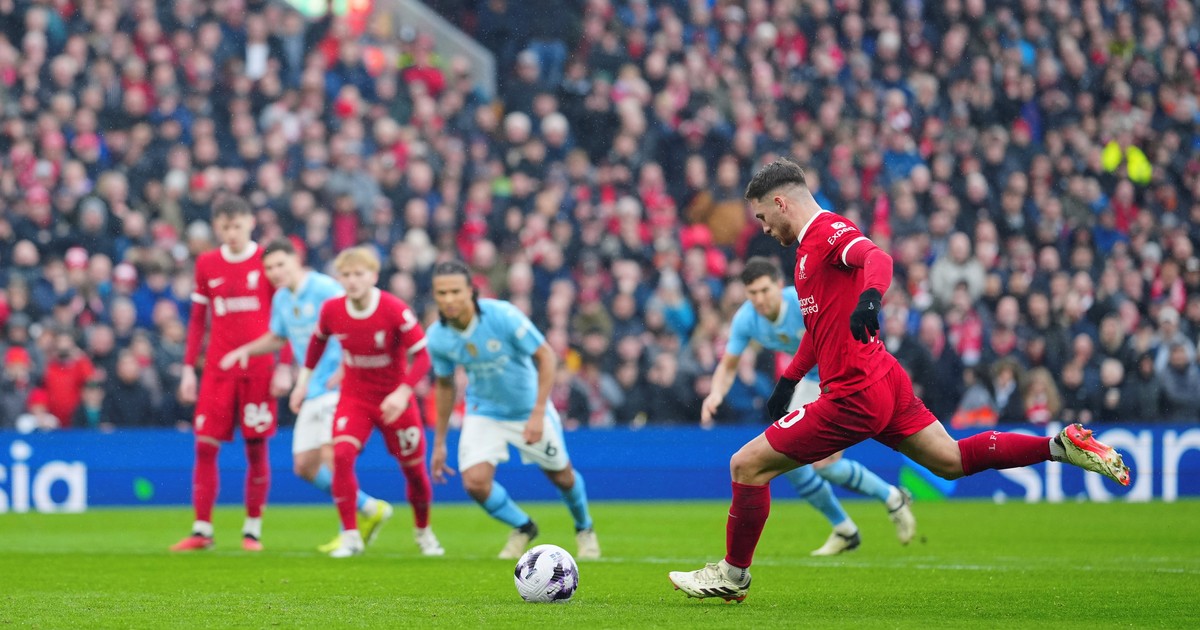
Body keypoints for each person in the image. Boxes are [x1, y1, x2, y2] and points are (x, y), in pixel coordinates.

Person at [669, 159, 1131, 602]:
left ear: (780, 203)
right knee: (950, 460)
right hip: (883, 379)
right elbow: (819, 328)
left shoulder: (827, 232)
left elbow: (877, 257)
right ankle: (1059, 446)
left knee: (746, 465)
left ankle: (732, 574)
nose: (764, 228)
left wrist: (870, 298)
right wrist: (788, 381)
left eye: (762, 217)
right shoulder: (806, 253)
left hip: (853, 393)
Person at [701, 256, 916, 556]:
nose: (760, 300)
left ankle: (888, 500)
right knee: (788, 457)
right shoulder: (746, 319)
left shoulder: (802, 302)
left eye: (765, 290)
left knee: (822, 464)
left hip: (843, 373)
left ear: (779, 285)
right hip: (810, 381)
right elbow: (728, 365)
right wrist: (715, 394)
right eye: (752, 293)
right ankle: (848, 525)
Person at [218, 238, 400, 554]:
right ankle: (369, 508)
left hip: (340, 385)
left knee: (333, 455)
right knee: (304, 466)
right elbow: (278, 337)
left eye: (280, 264)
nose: (276, 272)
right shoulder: (282, 299)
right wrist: (243, 351)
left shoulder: (325, 288)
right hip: (313, 386)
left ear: (296, 260)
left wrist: (345, 367)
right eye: (269, 268)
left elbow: (355, 322)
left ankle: (348, 534)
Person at [427, 260, 600, 561]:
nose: (449, 299)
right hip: (484, 411)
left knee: (562, 477)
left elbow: (546, 357)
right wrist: (439, 442)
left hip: (527, 409)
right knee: (475, 482)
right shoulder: (437, 336)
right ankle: (523, 526)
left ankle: (584, 528)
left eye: (455, 291)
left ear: (471, 291)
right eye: (442, 293)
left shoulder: (503, 316)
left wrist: (537, 413)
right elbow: (444, 385)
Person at [290, 247, 441, 558]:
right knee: (341, 454)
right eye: (346, 275)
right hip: (355, 397)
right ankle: (350, 536)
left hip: (394, 400)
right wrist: (303, 382)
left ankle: (424, 532)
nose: (352, 280)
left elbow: (423, 357)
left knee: (414, 471)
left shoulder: (393, 309)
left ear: (373, 276)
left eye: (359, 274)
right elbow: (317, 344)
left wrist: (403, 393)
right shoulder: (332, 310)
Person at [171, 196, 291, 553]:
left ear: (250, 223)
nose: (232, 233)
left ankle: (252, 530)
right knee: (205, 445)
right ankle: (202, 529)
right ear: (216, 227)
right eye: (225, 227)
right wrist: (188, 369)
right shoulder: (207, 263)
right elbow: (197, 320)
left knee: (256, 447)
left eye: (237, 225)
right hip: (218, 370)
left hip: (259, 370)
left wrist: (284, 364)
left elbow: (284, 317)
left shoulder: (267, 262)